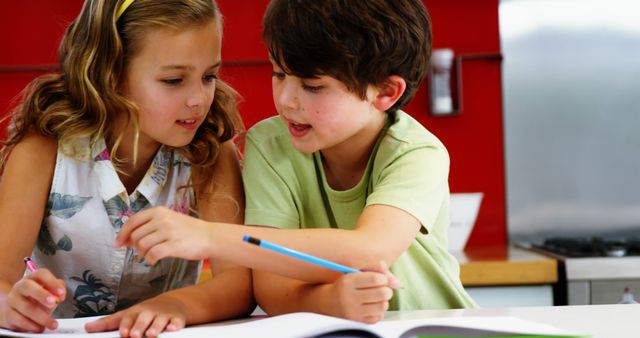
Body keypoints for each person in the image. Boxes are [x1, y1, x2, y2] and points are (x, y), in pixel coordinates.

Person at [113, 0, 477, 325]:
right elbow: (270, 289)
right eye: (279, 74)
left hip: (436, 327)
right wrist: (330, 301)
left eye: (313, 86)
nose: (286, 99)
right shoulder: (270, 146)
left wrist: (210, 237)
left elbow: (370, 249)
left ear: (384, 92)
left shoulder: (416, 152)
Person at [0, 0, 253, 337]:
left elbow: (238, 281)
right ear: (111, 74)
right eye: (174, 80)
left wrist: (177, 306)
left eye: (209, 76)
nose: (199, 99)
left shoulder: (209, 149)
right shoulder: (44, 145)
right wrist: (8, 303)